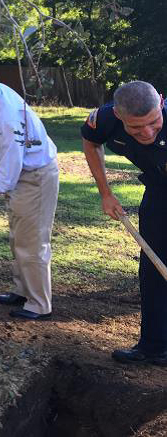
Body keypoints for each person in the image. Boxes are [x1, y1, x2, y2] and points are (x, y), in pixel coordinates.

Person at [0, 64, 59, 320]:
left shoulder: (7, 117)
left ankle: (39, 304)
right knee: (19, 236)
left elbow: (10, 170)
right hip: (23, 172)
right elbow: (7, 137)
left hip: (34, 177)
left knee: (32, 240)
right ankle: (22, 289)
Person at [81, 81, 167, 365]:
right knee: (154, 268)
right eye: (136, 128)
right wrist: (106, 193)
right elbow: (90, 142)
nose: (148, 133)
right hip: (159, 189)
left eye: (154, 123)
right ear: (119, 116)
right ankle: (153, 346)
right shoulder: (104, 119)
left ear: (162, 103)